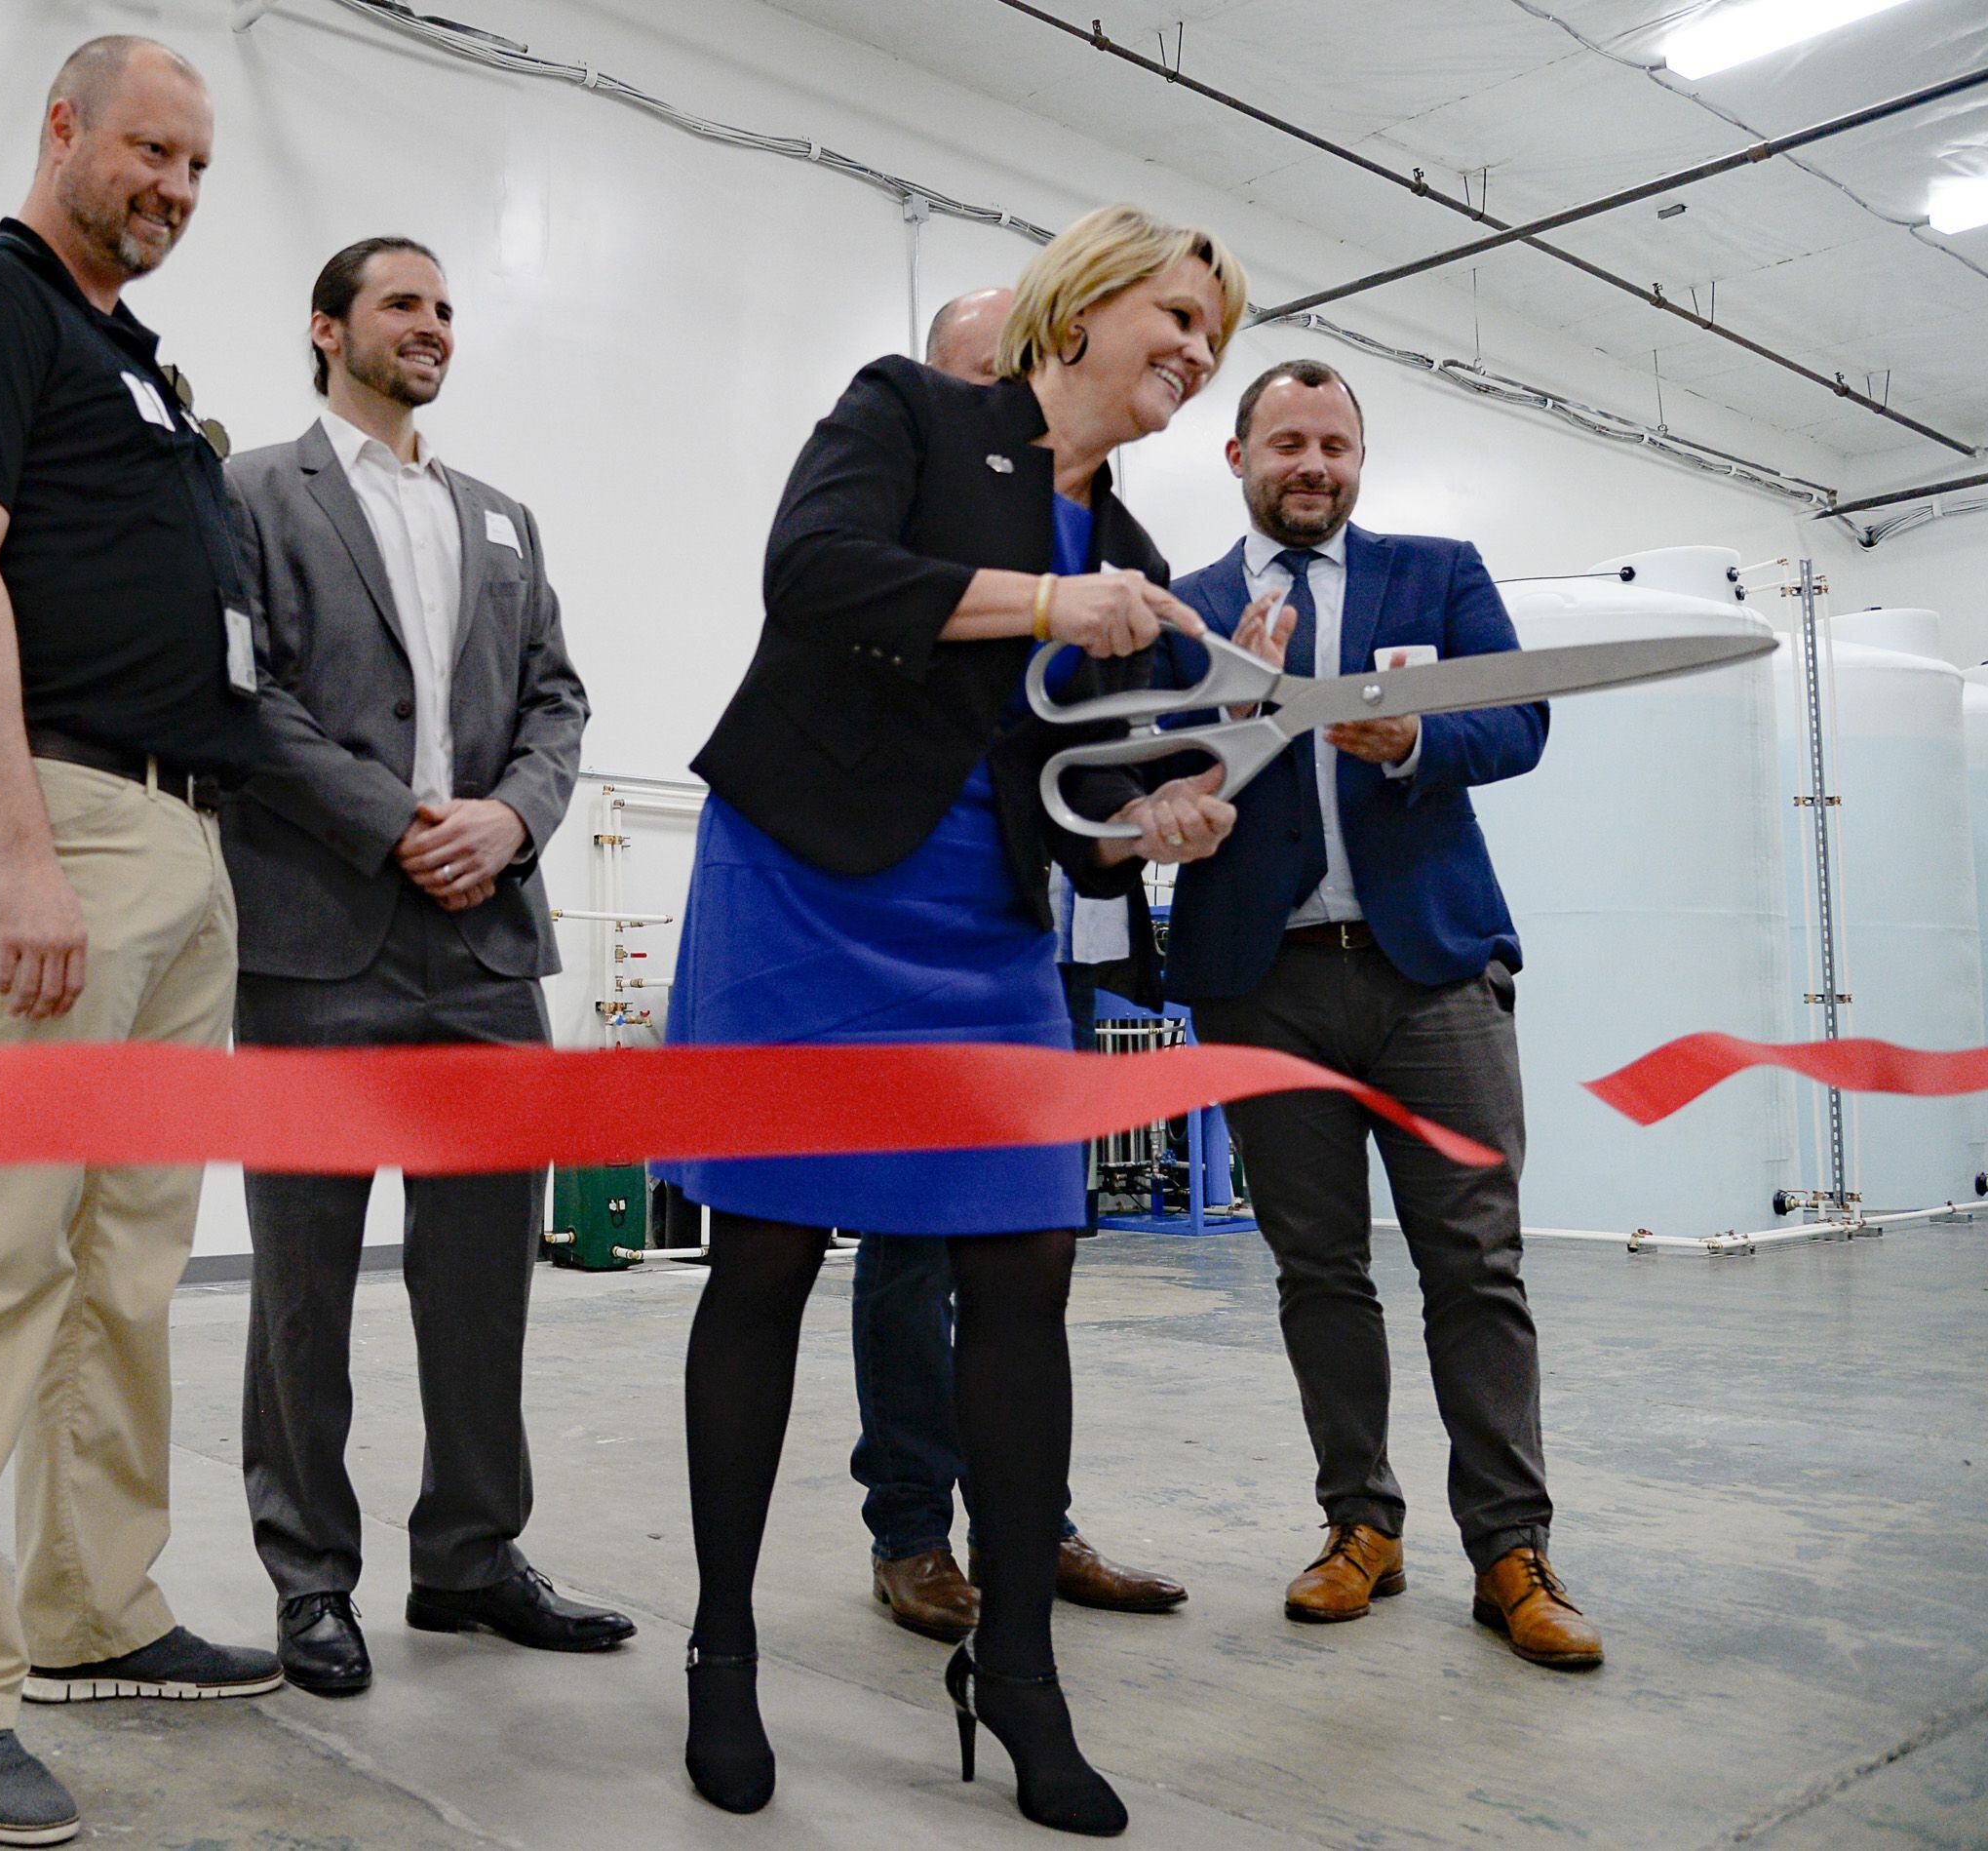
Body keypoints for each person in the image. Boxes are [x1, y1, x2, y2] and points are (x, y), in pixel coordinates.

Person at [655, 205, 1248, 1835]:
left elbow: (1069, 795)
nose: (1199, 353)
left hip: (977, 927)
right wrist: (1049, 610)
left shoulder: (1124, 547)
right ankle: (723, 1643)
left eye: (1218, 335)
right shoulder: (911, 414)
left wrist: (1153, 823)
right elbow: (818, 574)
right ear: (1088, 300)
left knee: (1025, 1263)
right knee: (765, 1256)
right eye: (1182, 315)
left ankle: (1023, 1665)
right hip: (801, 882)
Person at [0, 35, 280, 1846]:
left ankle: (90, 1608)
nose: (172, 189)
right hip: (57, 824)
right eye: (149, 151)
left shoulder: (144, 370)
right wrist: (19, 851)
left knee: (126, 1254)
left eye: (197, 168)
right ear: (62, 128)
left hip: (176, 836)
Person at [221, 236, 621, 1697]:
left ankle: (467, 1556)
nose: (433, 326)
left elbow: (559, 701)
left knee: (483, 1275)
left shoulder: (500, 517)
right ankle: (308, 1575)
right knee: (302, 1283)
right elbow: (241, 700)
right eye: (404, 302)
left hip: (488, 949)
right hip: (320, 944)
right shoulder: (256, 491)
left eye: (447, 307)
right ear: (328, 328)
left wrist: (512, 817)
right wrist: (401, 825)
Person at [1161, 357, 1603, 1671]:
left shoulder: (1438, 573)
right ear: (1235, 456)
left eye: (1336, 446)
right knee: (1318, 1270)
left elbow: (1518, 720)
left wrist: (1413, 745)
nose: (1315, 466)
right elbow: (1149, 767)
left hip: (1433, 970)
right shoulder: (1184, 608)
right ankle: (1362, 1525)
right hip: (1262, 975)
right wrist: (1221, 733)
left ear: (1361, 461)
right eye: (1287, 442)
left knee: (1478, 1264)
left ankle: (1512, 1551)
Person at [850, 286, 1187, 1645]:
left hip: (1038, 941)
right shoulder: (904, 519)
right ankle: (912, 1531)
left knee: (1028, 1259)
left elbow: (1104, 758)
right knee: (909, 1244)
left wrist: (1175, 784)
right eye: (987, 383)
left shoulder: (1108, 539)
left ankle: (1028, 1517)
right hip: (898, 924)